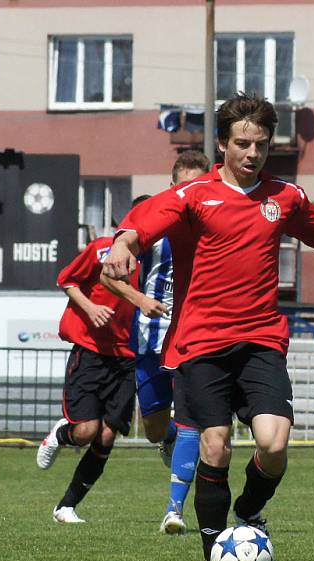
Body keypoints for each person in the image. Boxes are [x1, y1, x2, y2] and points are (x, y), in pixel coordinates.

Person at [104, 92, 314, 561]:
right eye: (243, 143)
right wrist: (122, 245)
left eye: (261, 144)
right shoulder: (195, 195)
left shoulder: (284, 197)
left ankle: (248, 510)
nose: (252, 153)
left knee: (273, 445)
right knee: (216, 445)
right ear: (223, 145)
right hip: (201, 343)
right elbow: (141, 224)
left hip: (260, 339)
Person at [101, 150, 210, 536]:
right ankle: (168, 442)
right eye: (184, 186)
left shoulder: (215, 229)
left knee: (193, 420)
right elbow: (107, 276)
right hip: (149, 342)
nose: (190, 194)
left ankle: (174, 509)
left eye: (198, 186)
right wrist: (140, 300)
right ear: (172, 188)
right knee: (152, 427)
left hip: (195, 340)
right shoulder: (153, 229)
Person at [35, 230, 139, 524]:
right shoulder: (102, 249)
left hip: (128, 357)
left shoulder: (156, 258)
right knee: (85, 433)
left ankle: (66, 507)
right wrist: (91, 308)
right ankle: (60, 435)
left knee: (106, 436)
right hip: (91, 352)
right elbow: (66, 279)